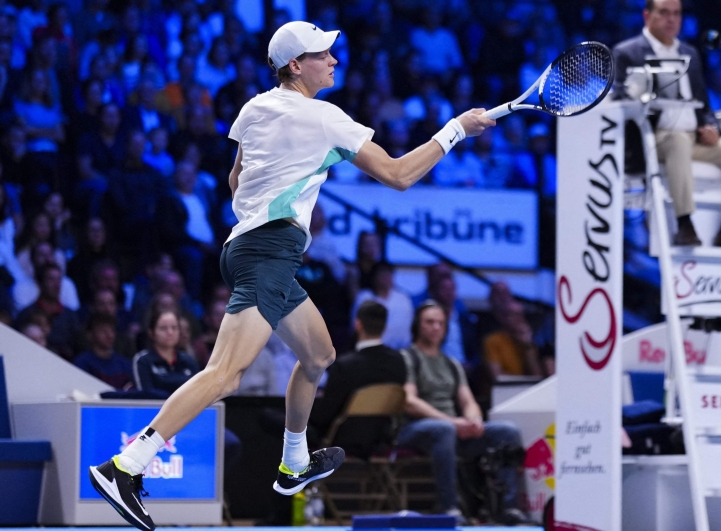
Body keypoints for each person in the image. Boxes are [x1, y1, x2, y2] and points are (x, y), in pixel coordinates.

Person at [88, 20, 494, 531]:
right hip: (269, 251)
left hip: (248, 246)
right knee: (224, 374)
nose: (335, 60)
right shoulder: (325, 118)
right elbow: (398, 174)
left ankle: (293, 461)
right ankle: (124, 467)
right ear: (296, 65)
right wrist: (457, 127)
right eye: (325, 53)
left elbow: (237, 178)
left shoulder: (254, 107)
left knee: (319, 355)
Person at [612, 0, 721, 249]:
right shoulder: (628, 52)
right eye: (664, 13)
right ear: (647, 15)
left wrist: (711, 127)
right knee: (677, 140)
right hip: (655, 139)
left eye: (676, 14)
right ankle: (685, 225)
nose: (671, 19)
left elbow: (704, 105)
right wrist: (641, 96)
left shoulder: (690, 53)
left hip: (694, 139)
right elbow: (618, 96)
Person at [398, 301, 527, 524]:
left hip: (451, 429)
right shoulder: (407, 357)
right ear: (417, 325)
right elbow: (409, 401)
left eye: (440, 323)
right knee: (444, 429)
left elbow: (468, 401)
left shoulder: (451, 363)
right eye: (429, 322)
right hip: (414, 429)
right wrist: (453, 422)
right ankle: (449, 506)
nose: (436, 327)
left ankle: (508, 507)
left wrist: (474, 420)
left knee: (508, 431)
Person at [310, 301, 407, 457]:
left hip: (341, 439)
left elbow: (323, 416)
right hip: (381, 439)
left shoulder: (345, 365)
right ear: (384, 327)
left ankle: (291, 479)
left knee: (273, 419)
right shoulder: (399, 362)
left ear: (358, 324)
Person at [131, 310, 201, 396]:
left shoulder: (189, 361)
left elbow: (199, 394)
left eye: (174, 328)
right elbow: (145, 396)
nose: (170, 332)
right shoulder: (143, 360)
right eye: (163, 328)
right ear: (151, 333)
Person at [74, 312, 134, 390]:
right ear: (90, 335)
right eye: (103, 331)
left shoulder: (125, 364)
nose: (110, 335)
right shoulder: (82, 363)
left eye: (112, 330)